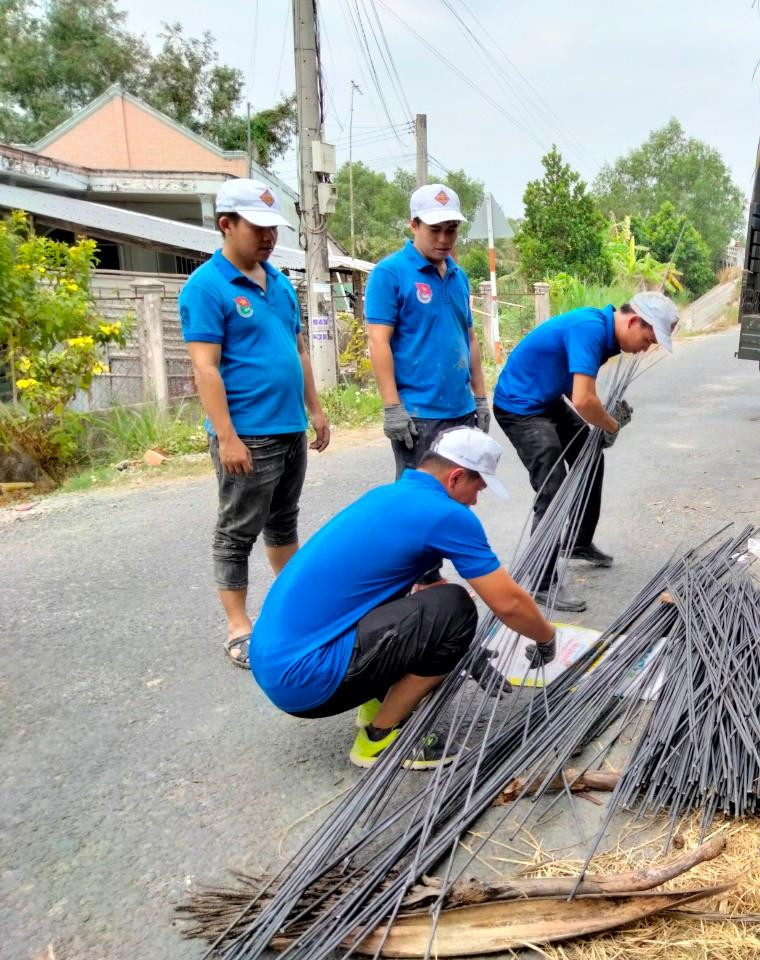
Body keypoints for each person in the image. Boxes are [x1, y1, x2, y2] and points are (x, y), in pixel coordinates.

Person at [250, 427, 558, 769]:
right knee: (456, 609)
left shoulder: (388, 495)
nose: (475, 500)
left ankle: (377, 701)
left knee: (428, 599)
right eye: (477, 487)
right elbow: (508, 604)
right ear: (456, 477)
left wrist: (461, 649)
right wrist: (546, 638)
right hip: (308, 679)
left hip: (275, 663)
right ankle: (381, 736)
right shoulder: (447, 514)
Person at [180, 178, 331, 670]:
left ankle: (294, 610)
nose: (268, 237)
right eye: (257, 227)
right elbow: (205, 368)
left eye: (273, 228)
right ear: (226, 224)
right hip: (247, 433)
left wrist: (315, 409)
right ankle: (238, 627)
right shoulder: (207, 287)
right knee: (236, 531)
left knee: (283, 521)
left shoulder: (279, 282)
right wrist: (227, 437)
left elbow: (299, 349)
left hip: (288, 427)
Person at [492, 291, 679, 613]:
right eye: (648, 340)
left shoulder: (605, 336)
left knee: (590, 458)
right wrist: (610, 425)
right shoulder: (590, 329)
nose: (645, 349)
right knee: (554, 486)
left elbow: (574, 383)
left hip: (547, 400)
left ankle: (577, 541)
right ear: (634, 321)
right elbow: (582, 400)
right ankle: (541, 579)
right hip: (520, 407)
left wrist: (600, 418)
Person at [366, 183, 487, 483]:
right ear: (414, 225)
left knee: (459, 494)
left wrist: (481, 398)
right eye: (435, 230)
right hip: (419, 416)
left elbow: (469, 338)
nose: (444, 239)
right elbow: (378, 341)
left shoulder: (459, 276)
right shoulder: (390, 273)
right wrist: (392, 407)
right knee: (418, 500)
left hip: (462, 410)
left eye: (451, 230)